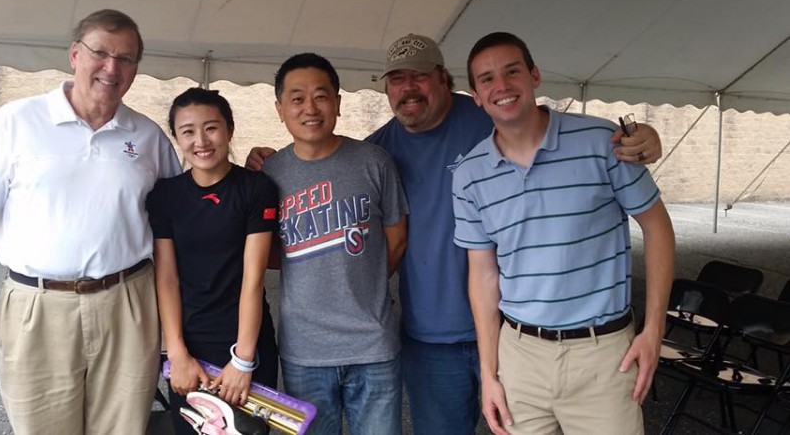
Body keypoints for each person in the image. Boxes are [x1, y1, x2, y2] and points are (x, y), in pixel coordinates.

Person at [247, 34, 663, 434]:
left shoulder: (488, 116)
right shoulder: (378, 152)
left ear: (445, 78)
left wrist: (645, 137)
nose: (409, 88)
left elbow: (543, 124)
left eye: (421, 75)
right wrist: (259, 164)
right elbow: (332, 173)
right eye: (396, 79)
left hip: (514, 329)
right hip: (432, 338)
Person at [0, 9, 182, 434]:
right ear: (74, 54)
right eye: (100, 53)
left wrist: (256, 171)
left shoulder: (148, 138)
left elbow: (189, 212)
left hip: (128, 305)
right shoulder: (15, 122)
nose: (112, 67)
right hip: (37, 307)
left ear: (135, 69)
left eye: (126, 59)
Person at [452, 32, 675, 435]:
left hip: (603, 356)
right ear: (476, 96)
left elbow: (657, 227)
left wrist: (654, 328)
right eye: (487, 79)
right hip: (520, 356)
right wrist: (489, 373)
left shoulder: (600, 142)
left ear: (534, 76)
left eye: (512, 71)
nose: (501, 85)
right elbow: (483, 278)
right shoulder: (469, 176)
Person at [263, 53, 409, 435]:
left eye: (321, 96)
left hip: (372, 345)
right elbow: (269, 251)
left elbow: (396, 242)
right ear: (280, 109)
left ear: (338, 103)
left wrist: (363, 280)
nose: (310, 108)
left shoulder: (375, 162)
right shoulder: (269, 175)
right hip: (304, 351)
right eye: (297, 98)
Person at [146, 88, 280, 435]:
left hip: (246, 341)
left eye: (211, 128)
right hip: (189, 348)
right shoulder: (165, 195)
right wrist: (176, 353)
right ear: (176, 137)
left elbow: (253, 279)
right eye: (187, 131)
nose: (201, 141)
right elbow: (167, 279)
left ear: (230, 130)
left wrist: (243, 359)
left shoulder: (256, 188)